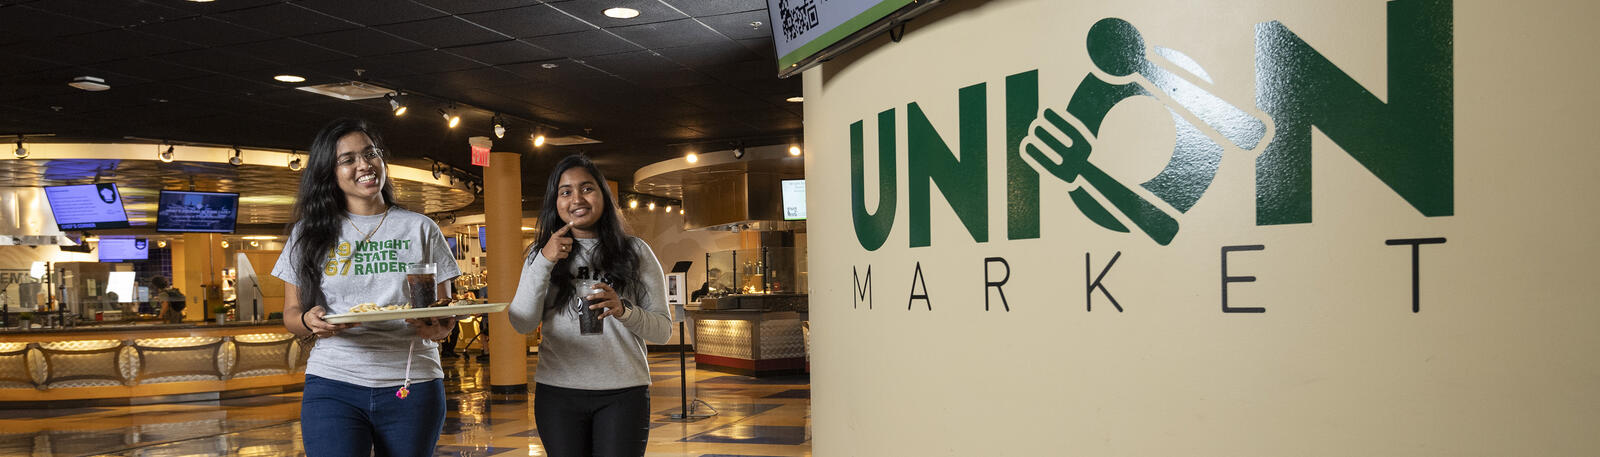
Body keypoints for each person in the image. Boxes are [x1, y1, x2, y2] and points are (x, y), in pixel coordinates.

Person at [272, 118, 460, 457]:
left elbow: (443, 313)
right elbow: (291, 314)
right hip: (334, 381)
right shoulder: (308, 233)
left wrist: (439, 327)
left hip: (411, 380)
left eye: (371, 153)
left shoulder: (421, 228)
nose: (364, 165)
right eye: (348, 159)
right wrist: (309, 320)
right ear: (330, 172)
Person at [508, 154, 673, 457]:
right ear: (555, 202)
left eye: (587, 188)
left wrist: (623, 310)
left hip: (624, 392)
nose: (576, 199)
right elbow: (522, 322)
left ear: (603, 195)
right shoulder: (539, 254)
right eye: (565, 192)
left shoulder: (635, 251)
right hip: (558, 393)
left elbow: (663, 330)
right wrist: (544, 261)